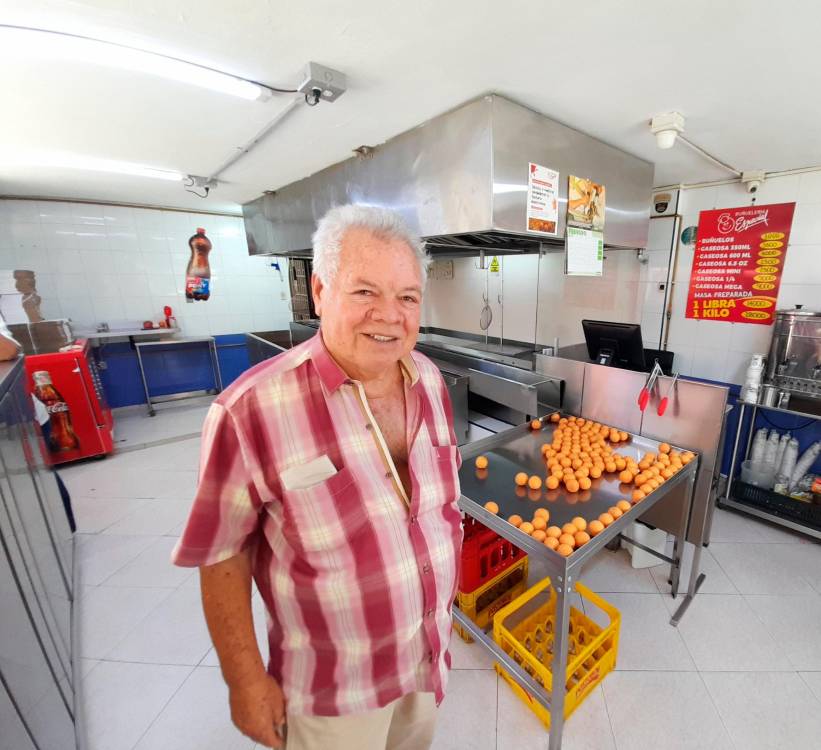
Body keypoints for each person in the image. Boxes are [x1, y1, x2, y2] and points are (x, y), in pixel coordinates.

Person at [172, 204, 463, 750]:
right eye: (364, 292)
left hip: (424, 661)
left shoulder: (428, 378)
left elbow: (434, 509)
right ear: (321, 292)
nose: (390, 315)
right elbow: (221, 555)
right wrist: (245, 682)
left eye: (407, 297)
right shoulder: (249, 409)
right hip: (333, 693)